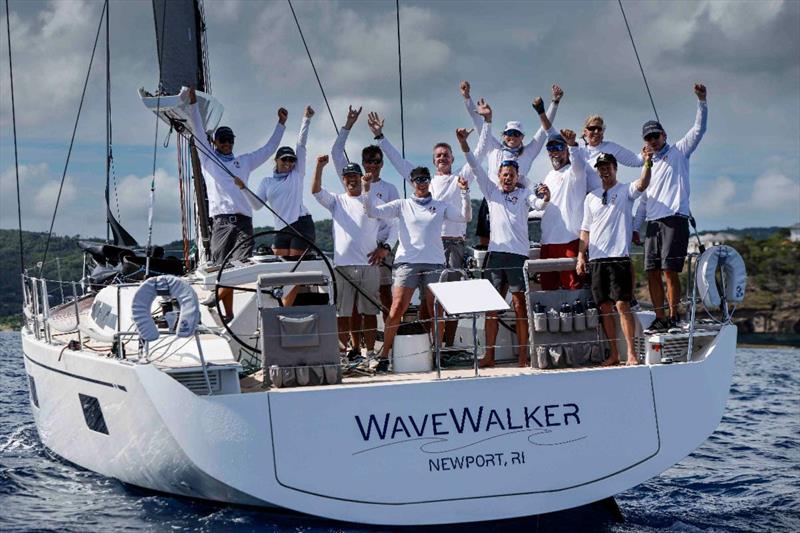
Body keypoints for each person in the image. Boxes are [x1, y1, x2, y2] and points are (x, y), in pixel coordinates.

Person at [367, 112, 470, 350]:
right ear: (433, 161)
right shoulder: (425, 181)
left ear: (452, 157)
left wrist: (481, 126)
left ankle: (443, 347)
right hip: (418, 254)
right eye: (438, 156)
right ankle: (397, 351)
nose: (442, 158)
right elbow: (398, 161)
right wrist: (380, 137)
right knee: (411, 306)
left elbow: (478, 157)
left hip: (450, 245)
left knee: (446, 303)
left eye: (446, 154)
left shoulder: (461, 178)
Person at [184, 87, 287, 322]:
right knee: (222, 267)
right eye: (222, 140)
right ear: (215, 142)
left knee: (238, 267)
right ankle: (228, 313)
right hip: (220, 222)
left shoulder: (244, 162)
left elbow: (269, 150)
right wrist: (192, 106)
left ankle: (216, 296)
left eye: (230, 140)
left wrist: (281, 124)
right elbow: (198, 132)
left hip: (242, 221)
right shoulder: (208, 159)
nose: (227, 143)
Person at [457, 128, 550, 368]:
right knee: (491, 306)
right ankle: (488, 355)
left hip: (518, 256)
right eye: (504, 174)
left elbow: (539, 204)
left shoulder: (525, 193)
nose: (507, 177)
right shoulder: (491, 192)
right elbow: (475, 166)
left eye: (511, 174)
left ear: (517, 175)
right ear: (498, 176)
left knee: (520, 306)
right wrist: (464, 144)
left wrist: (546, 198)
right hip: (495, 256)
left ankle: (522, 356)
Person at [365, 166, 472, 372]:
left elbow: (465, 217)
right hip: (407, 263)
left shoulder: (441, 206)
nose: (421, 183)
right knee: (396, 308)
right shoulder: (402, 205)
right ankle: (385, 354)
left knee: (435, 310)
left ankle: (437, 353)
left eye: (424, 179)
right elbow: (372, 212)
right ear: (412, 183)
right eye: (417, 180)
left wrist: (465, 193)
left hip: (434, 263)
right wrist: (367, 189)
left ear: (429, 181)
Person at [633, 83, 708, 331]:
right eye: (648, 138)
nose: (653, 140)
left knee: (668, 270)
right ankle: (661, 317)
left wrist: (701, 101)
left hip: (675, 219)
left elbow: (699, 129)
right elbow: (642, 200)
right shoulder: (647, 165)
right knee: (651, 272)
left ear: (664, 135)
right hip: (653, 224)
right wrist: (636, 228)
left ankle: (674, 316)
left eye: (656, 136)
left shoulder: (679, 151)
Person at [460, 81, 562, 247]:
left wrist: (554, 103)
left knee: (514, 240)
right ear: (503, 135)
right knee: (486, 244)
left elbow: (544, 131)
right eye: (508, 134)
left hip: (517, 200)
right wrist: (467, 98)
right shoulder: (493, 147)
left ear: (522, 137)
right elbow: (479, 123)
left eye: (516, 134)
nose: (512, 137)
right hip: (492, 198)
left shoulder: (529, 151)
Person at [577, 151, 652, 366]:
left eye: (608, 166)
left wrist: (647, 162)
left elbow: (643, 183)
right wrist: (581, 256)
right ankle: (613, 354)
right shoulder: (591, 197)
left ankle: (631, 354)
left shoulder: (625, 190)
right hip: (597, 259)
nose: (604, 170)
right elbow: (585, 230)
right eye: (601, 167)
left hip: (619, 257)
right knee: (604, 308)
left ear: (615, 168)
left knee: (622, 305)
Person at [331, 106, 400, 321]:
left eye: (376, 161)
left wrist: (385, 248)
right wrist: (348, 125)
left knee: (385, 295)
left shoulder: (390, 189)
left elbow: (396, 224)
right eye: (368, 161)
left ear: (382, 163)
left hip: (379, 250)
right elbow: (335, 152)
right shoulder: (353, 180)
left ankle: (388, 343)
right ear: (362, 164)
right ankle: (355, 347)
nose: (372, 164)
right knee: (351, 304)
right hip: (355, 254)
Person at [312, 155, 381, 358]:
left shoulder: (373, 201)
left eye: (355, 175)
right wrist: (319, 166)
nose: (351, 179)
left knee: (369, 311)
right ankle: (346, 353)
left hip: (369, 264)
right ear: (343, 180)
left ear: (361, 178)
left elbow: (391, 225)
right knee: (343, 312)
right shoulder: (336, 201)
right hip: (342, 266)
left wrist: (384, 247)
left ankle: (369, 352)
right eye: (348, 176)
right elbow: (315, 191)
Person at [251, 106, 316, 258]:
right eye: (284, 159)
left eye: (292, 159)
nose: (288, 162)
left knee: (294, 263)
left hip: (301, 224)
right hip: (281, 228)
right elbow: (256, 205)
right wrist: (242, 188)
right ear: (276, 160)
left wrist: (306, 119)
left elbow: (301, 145)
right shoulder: (267, 182)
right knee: (279, 265)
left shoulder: (297, 174)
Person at [538, 130, 600, 290]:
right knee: (547, 290)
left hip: (570, 241)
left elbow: (578, 163)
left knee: (574, 290)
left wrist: (572, 144)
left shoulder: (576, 171)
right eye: (551, 149)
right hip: (547, 242)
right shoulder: (549, 175)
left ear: (566, 149)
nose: (555, 152)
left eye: (559, 147)